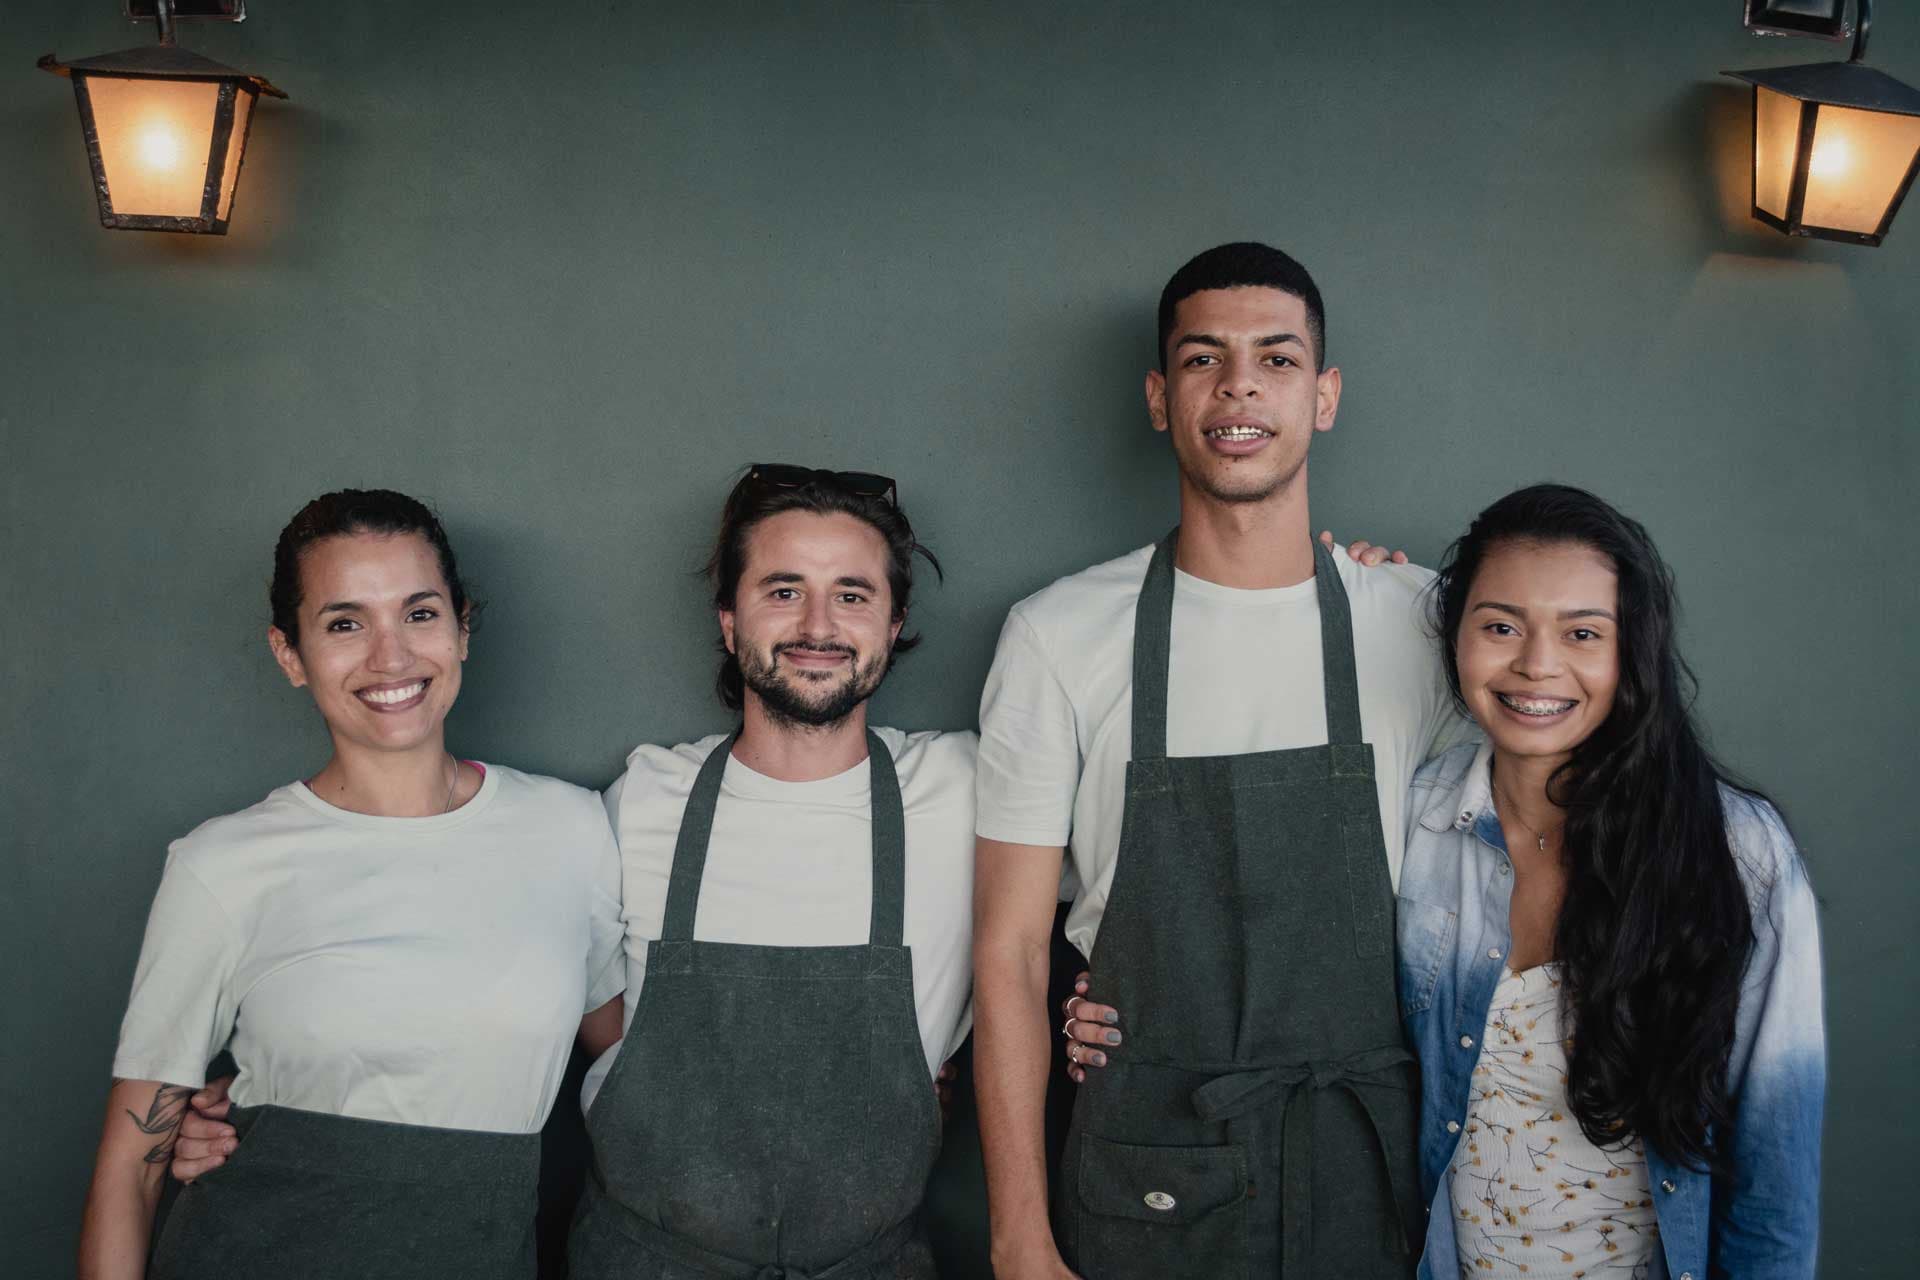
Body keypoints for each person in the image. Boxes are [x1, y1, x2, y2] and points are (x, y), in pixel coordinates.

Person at [1068, 484, 1826, 1279]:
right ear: (1453, 637)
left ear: (1631, 650)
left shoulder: (1740, 855)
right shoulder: (1412, 818)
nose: (1537, 664)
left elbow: (1775, 1178)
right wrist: (1128, 1006)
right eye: (1500, 626)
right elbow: (1271, 937)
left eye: (1582, 633)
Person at [972, 242, 1471, 1280]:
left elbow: (1505, 882)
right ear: (1161, 397)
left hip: (1369, 1171)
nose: (1239, 384)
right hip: (1148, 1166)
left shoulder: (1425, 626)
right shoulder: (1058, 634)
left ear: (1324, 396)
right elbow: (1012, 953)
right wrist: (1019, 1239)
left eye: (1277, 359)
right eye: (1203, 359)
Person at [77, 489, 625, 1280]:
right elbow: (131, 1165)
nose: (390, 656)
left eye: (419, 613)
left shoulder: (571, 831)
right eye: (344, 623)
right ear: (289, 654)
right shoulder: (221, 866)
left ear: (462, 628)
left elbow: (632, 1076)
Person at [566, 465, 979, 1279]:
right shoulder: (643, 799)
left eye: (853, 594)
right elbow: (593, 1012)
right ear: (729, 619)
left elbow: (1133, 868)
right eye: (783, 591)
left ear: (894, 623)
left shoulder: (966, 791)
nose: (818, 624)